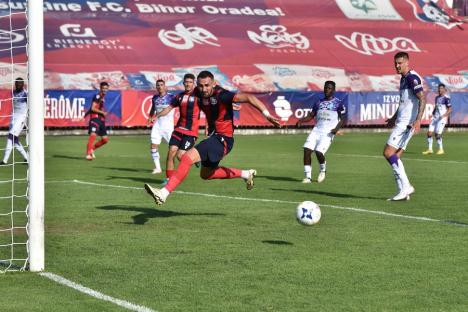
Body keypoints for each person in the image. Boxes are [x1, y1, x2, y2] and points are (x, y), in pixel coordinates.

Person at [144, 70, 280, 205]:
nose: (204, 89)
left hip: (223, 139)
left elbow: (250, 98)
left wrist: (267, 115)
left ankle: (163, 193)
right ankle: (246, 174)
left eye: (207, 85)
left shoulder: (223, 95)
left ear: (214, 83)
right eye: (201, 85)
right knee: (206, 175)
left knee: (186, 158)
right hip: (215, 138)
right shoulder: (197, 91)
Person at [384, 52, 426, 201]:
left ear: (407, 62)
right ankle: (403, 191)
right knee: (396, 157)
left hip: (406, 124)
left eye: (400, 63)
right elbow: (403, 103)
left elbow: (423, 98)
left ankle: (406, 186)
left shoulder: (411, 78)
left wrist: (418, 120)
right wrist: (393, 118)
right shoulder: (403, 79)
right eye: (395, 63)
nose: (397, 66)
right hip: (401, 122)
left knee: (388, 153)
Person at [151, 74, 200, 184]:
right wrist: (156, 116)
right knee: (171, 152)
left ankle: (197, 158)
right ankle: (169, 179)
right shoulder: (178, 97)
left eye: (190, 82)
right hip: (178, 130)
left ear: (194, 83)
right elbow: (168, 108)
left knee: (180, 156)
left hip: (191, 132)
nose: (188, 84)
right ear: (183, 83)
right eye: (186, 82)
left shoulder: (199, 96)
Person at [296, 81, 345, 184]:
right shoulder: (318, 102)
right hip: (316, 130)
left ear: (333, 90)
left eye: (330, 88)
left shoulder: (338, 103)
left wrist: (336, 129)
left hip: (328, 132)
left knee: (319, 152)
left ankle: (323, 170)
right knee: (307, 150)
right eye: (326, 88)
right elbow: (311, 115)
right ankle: (308, 177)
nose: (327, 90)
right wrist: (301, 121)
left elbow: (343, 118)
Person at [147, 79, 175, 174]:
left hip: (168, 127)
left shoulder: (171, 97)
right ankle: (158, 168)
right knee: (153, 145)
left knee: (175, 148)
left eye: (161, 85)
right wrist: (150, 117)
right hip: (157, 125)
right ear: (156, 87)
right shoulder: (155, 97)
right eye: (158, 85)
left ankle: (192, 158)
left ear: (165, 86)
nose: (160, 87)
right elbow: (153, 108)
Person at [1, 78, 29, 165]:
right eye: (16, 84)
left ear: (23, 84)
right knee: (14, 139)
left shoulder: (26, 94)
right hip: (13, 117)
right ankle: (27, 157)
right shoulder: (12, 92)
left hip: (21, 117)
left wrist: (26, 119)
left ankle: (5, 160)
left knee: (10, 136)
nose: (17, 85)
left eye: (19, 84)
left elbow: (29, 106)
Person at [422, 83, 452, 155]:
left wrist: (443, 116)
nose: (439, 90)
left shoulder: (446, 98)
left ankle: (441, 149)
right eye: (439, 88)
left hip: (441, 119)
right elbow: (436, 107)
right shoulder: (437, 98)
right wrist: (432, 114)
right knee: (429, 133)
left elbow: (450, 109)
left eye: (441, 88)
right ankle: (430, 149)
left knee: (437, 134)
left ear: (444, 90)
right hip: (435, 118)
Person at [86, 81, 110, 160]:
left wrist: (84, 116)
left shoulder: (102, 97)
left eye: (106, 88)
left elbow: (91, 108)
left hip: (101, 120)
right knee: (93, 135)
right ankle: (88, 154)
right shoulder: (97, 96)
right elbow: (93, 108)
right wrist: (102, 112)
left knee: (105, 139)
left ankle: (92, 149)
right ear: (100, 88)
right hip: (95, 118)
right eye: (103, 88)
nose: (105, 90)